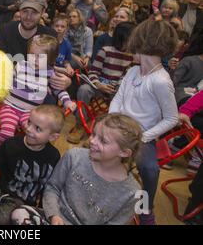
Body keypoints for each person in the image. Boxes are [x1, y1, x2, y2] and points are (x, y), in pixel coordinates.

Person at [10, 113, 142, 225]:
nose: (92, 141)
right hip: (53, 219)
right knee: (19, 214)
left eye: (103, 141)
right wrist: (54, 216)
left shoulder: (132, 193)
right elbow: (52, 188)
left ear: (124, 152)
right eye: (93, 134)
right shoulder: (74, 157)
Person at [109, 20, 179, 225]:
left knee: (150, 169)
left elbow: (172, 118)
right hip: (119, 128)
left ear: (142, 43)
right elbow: (118, 98)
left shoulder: (160, 80)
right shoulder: (132, 71)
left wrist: (144, 136)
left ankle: (145, 209)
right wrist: (112, 121)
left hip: (143, 137)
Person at [0, 34, 76, 157]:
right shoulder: (20, 65)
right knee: (6, 133)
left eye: (40, 57)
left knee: (34, 136)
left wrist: (67, 102)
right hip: (11, 108)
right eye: (32, 55)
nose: (34, 60)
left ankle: (19, 156)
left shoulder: (49, 72)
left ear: (50, 59)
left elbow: (59, 90)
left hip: (30, 113)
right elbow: (5, 80)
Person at [0, 0, 72, 93]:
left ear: (43, 11)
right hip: (6, 85)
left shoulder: (50, 36)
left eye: (34, 12)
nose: (28, 17)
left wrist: (64, 81)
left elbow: (49, 68)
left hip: (35, 90)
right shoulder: (5, 30)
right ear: (19, 10)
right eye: (25, 11)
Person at [71, 22, 135, 144]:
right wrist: (99, 84)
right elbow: (93, 72)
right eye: (131, 39)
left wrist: (117, 86)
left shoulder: (131, 57)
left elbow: (125, 77)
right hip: (98, 85)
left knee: (127, 97)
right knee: (84, 90)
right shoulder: (105, 51)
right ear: (122, 38)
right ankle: (80, 125)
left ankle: (107, 133)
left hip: (115, 90)